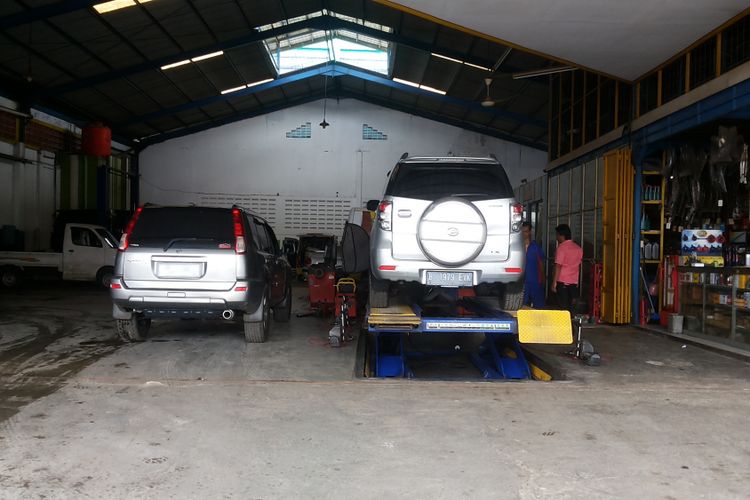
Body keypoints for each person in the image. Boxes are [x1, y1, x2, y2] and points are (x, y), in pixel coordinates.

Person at [551, 223, 583, 314]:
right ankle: (573, 327)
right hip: (573, 282)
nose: (556, 237)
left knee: (562, 308)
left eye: (557, 235)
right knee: (572, 308)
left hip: (562, 282)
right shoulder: (578, 248)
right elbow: (578, 266)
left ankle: (563, 327)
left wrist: (554, 283)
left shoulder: (561, 248)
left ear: (562, 235)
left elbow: (558, 266)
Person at [521, 221, 545, 308]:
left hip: (535, 281)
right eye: (522, 231)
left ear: (530, 232)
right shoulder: (517, 247)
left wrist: (542, 279)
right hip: (521, 282)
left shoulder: (535, 247)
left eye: (526, 231)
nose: (524, 234)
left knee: (538, 306)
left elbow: (541, 264)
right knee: (521, 306)